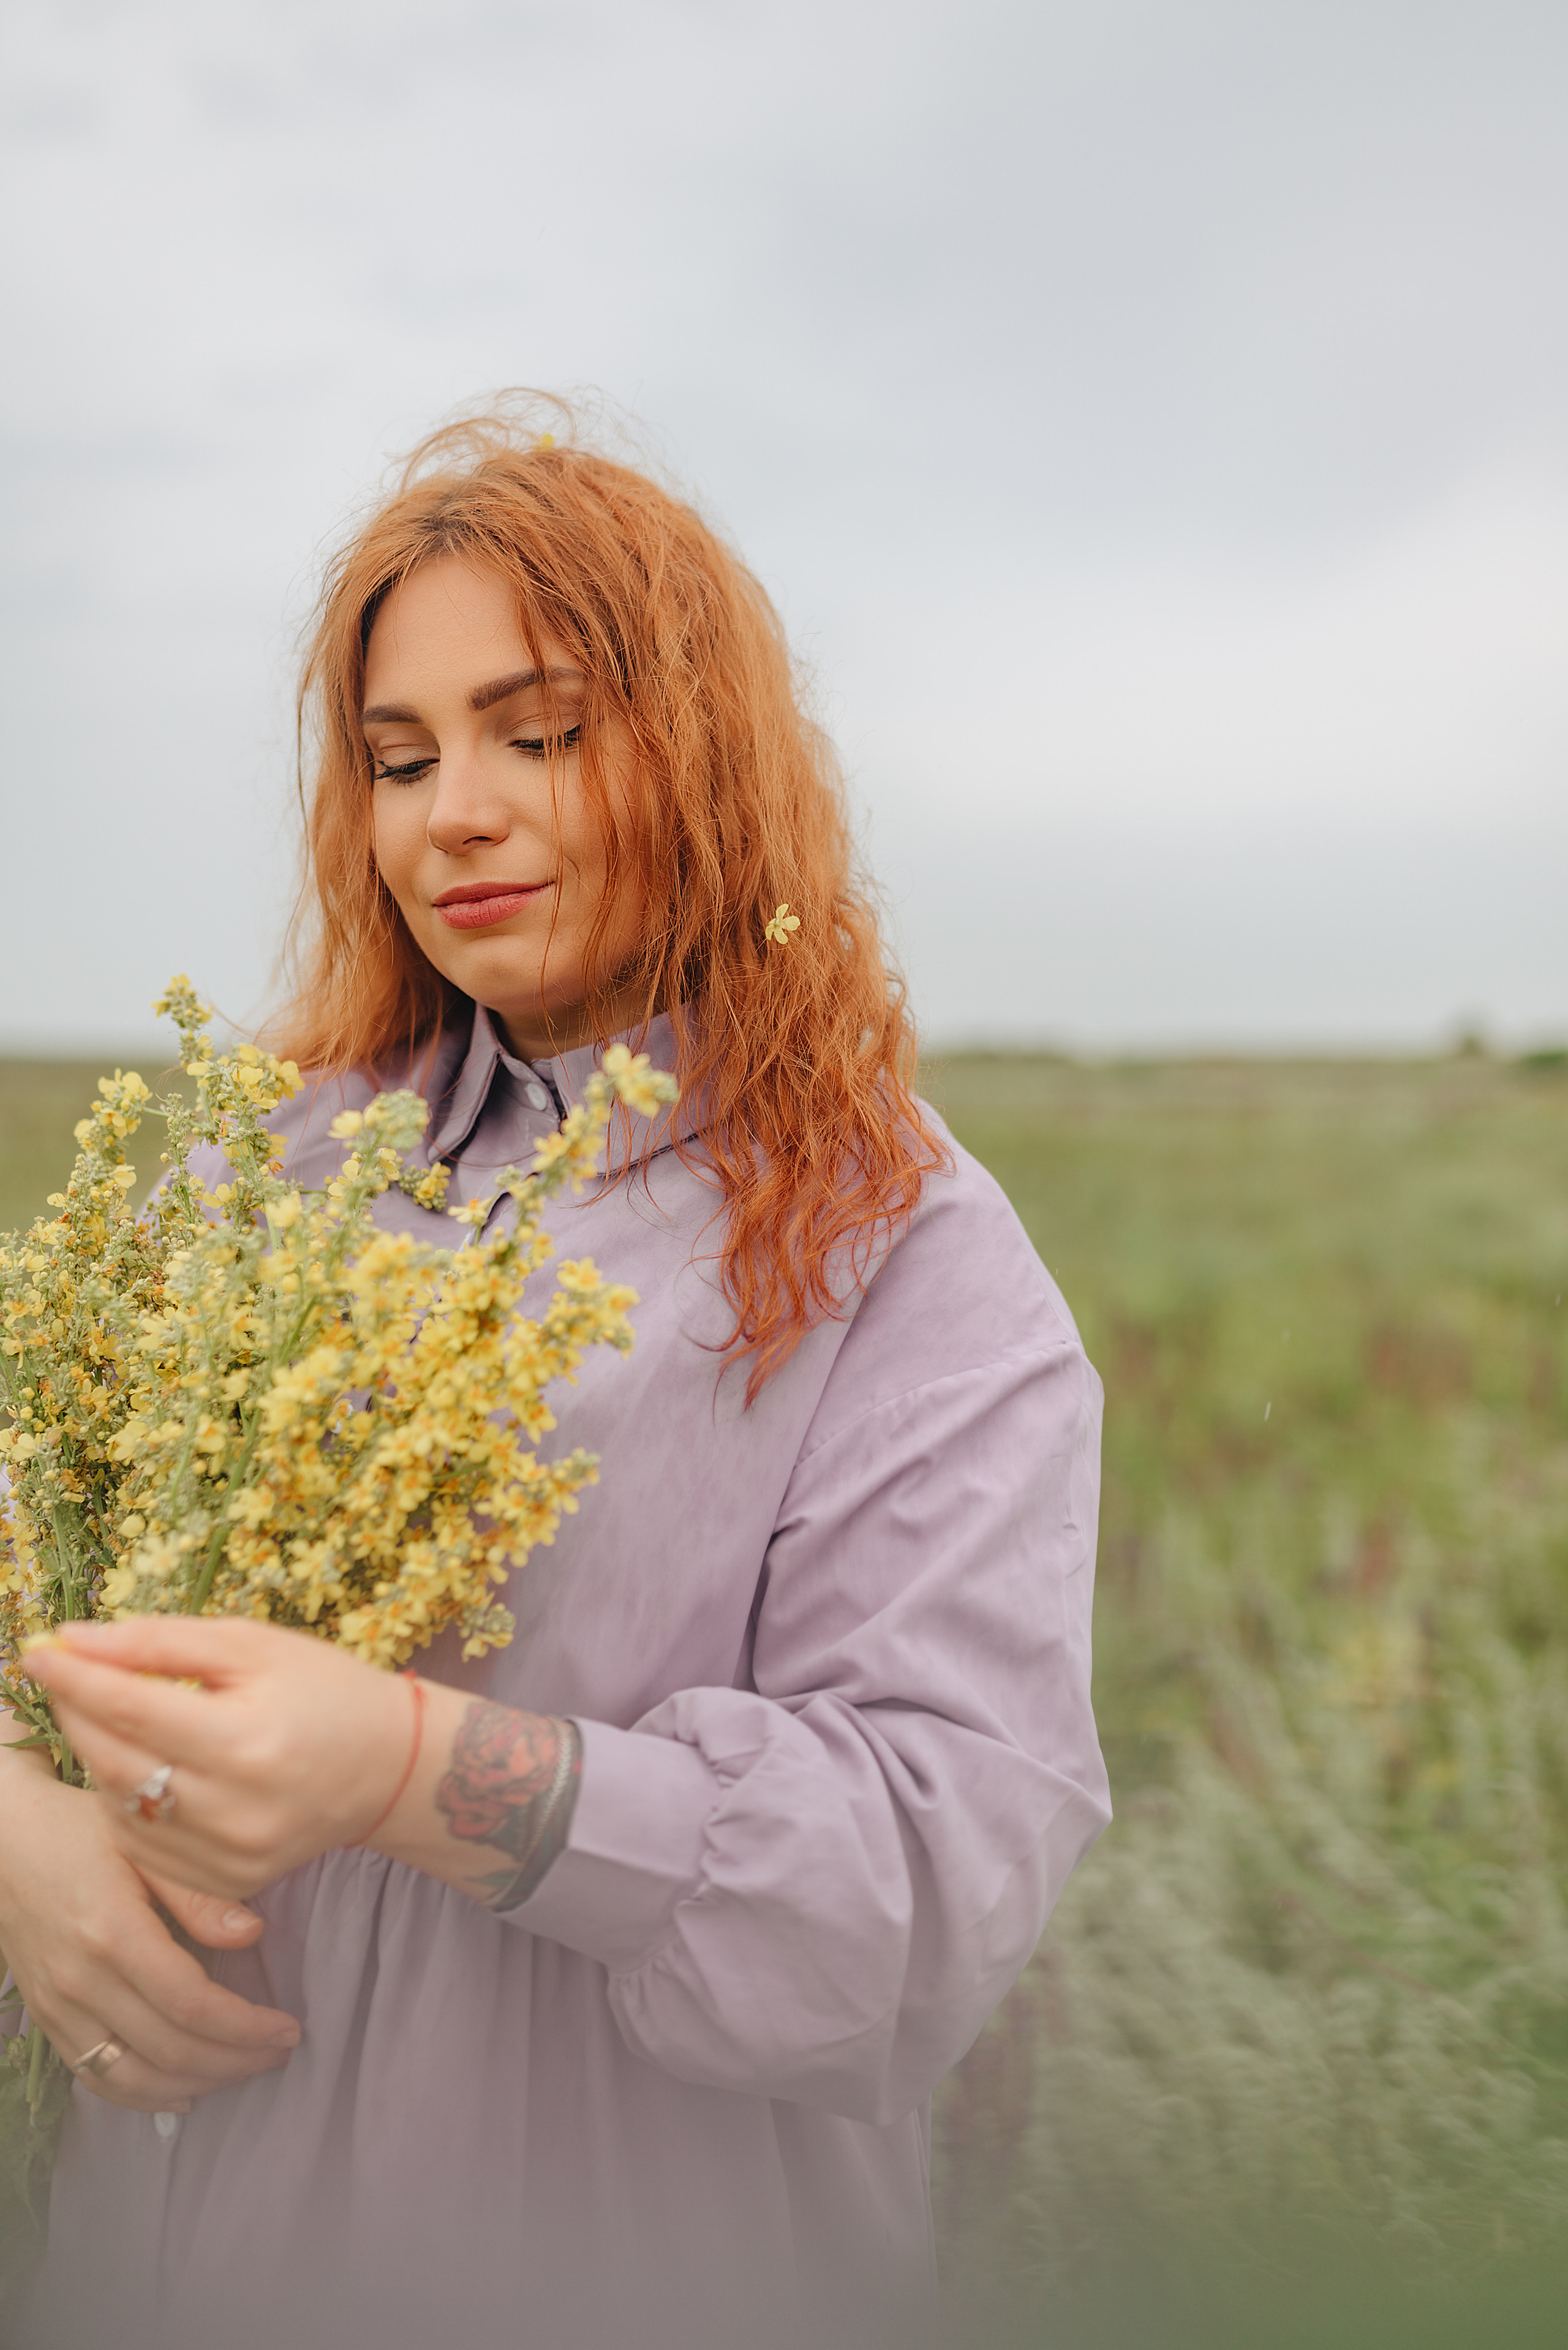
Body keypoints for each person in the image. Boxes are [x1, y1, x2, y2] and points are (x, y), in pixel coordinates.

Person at [3, 405, 1110, 2350]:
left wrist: (412, 1769)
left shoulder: (905, 1256)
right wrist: (22, 1825)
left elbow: (926, 1898)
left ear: (707, 749)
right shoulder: (258, 1171)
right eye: (399, 760)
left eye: (543, 733)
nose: (458, 815)